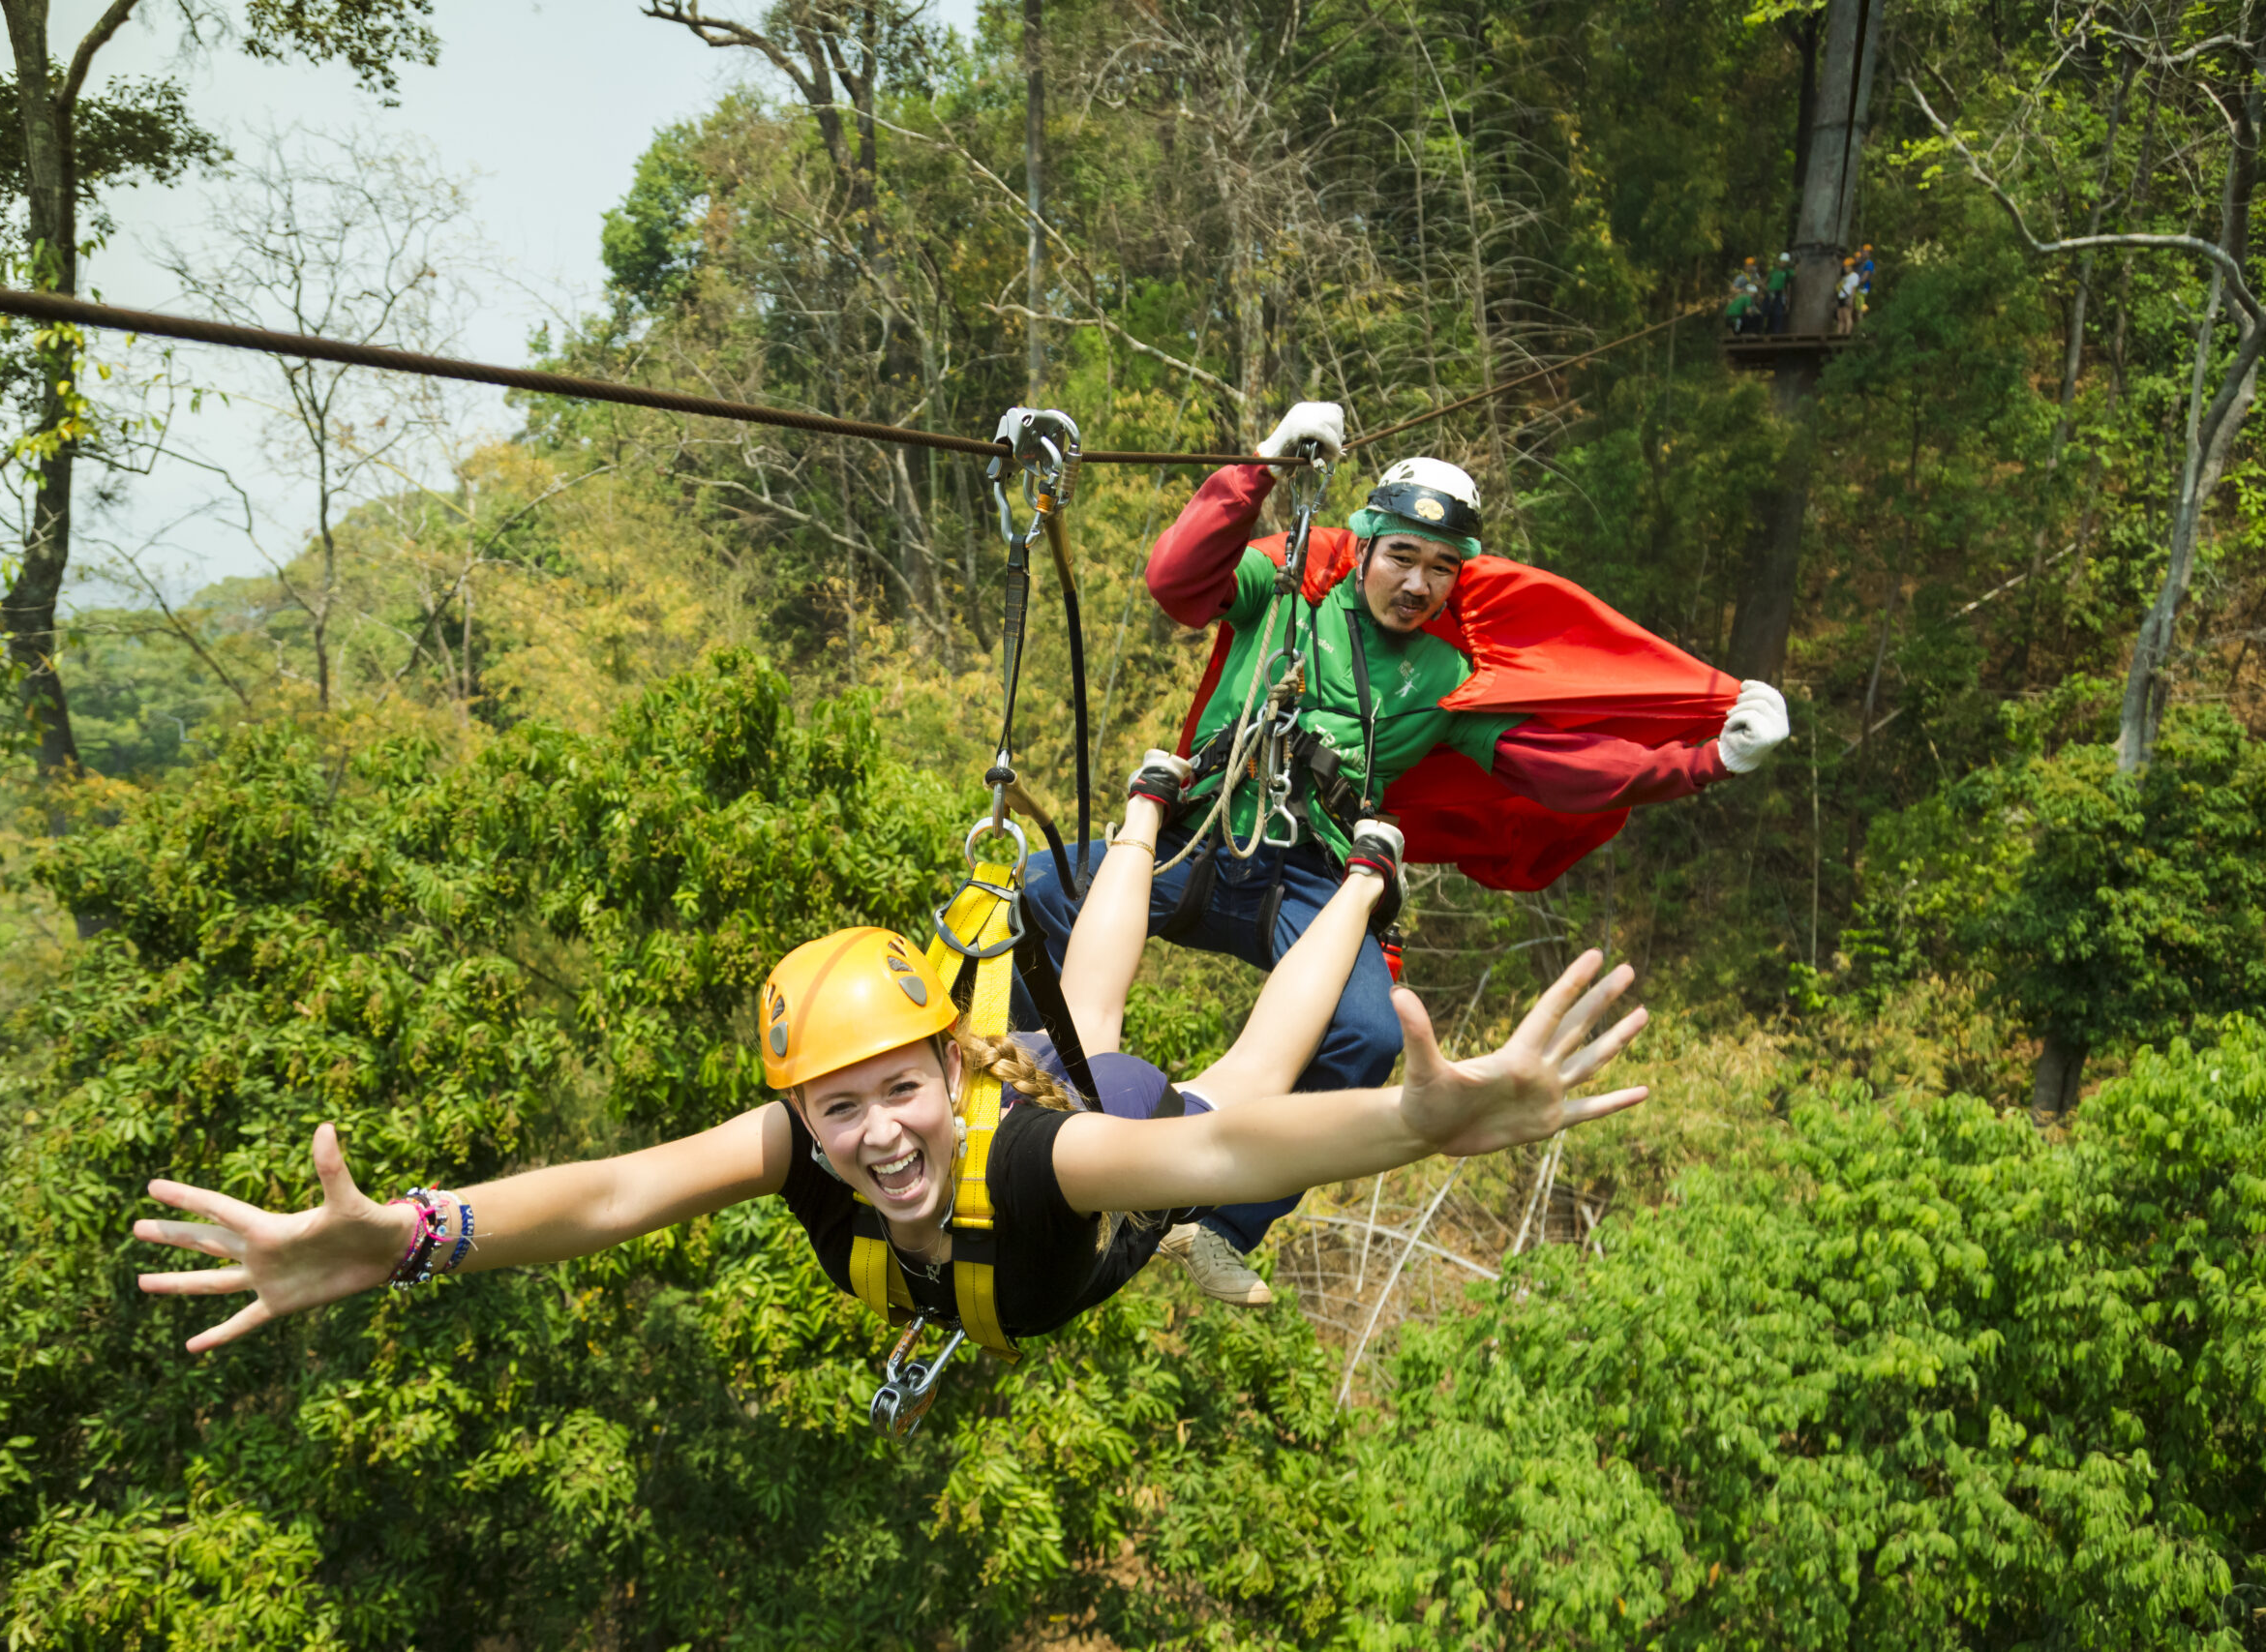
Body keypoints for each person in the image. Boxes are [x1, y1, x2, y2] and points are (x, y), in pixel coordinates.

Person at [132, 771, 1652, 1361]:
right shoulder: (811, 1142)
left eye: (896, 1091)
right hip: (1039, 1087)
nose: (873, 1137)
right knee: (1098, 1003)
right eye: (836, 1107)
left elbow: (1224, 1161)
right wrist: (406, 1236)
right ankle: (1144, 805)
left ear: (950, 1064)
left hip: (1095, 1142)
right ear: (800, 1109)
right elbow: (609, 1191)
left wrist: (1412, 1122)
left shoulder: (1043, 1152)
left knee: (1233, 1068)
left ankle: (1371, 877)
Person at [1012, 402, 1789, 1305]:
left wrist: (1706, 760)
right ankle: (1027, 1090)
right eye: (1403, 558)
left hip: (1310, 877)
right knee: (1035, 892)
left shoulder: (1449, 679)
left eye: (1443, 569)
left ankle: (1217, 1223)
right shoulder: (1281, 585)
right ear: (1368, 546)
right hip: (1207, 834)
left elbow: (1561, 770)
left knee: (1369, 1032)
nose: (1419, 584)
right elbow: (1177, 580)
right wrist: (1260, 465)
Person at [1726, 256, 1764, 336]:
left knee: (1758, 316)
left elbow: (1760, 288)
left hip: (1752, 303)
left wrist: (1760, 294)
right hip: (1742, 304)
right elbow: (1732, 289)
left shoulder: (1756, 277)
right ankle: (1741, 333)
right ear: (1745, 267)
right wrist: (1740, 291)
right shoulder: (1741, 278)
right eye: (1749, 265)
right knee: (1743, 317)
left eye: (1752, 265)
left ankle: (1754, 333)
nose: (1751, 267)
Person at [1764, 251, 1795, 332]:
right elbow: (1766, 281)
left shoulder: (1787, 272)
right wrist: (1764, 291)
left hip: (1780, 294)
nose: (1783, 263)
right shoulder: (1773, 270)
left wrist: (1787, 302)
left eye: (1785, 262)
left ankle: (1775, 333)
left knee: (1778, 314)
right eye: (1782, 261)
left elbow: (1788, 286)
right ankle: (1766, 331)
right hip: (1770, 293)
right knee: (1766, 311)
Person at [1834, 256, 1864, 335]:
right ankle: (1839, 333)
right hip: (1841, 298)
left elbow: (1853, 289)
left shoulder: (1854, 276)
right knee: (1840, 318)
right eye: (1845, 267)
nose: (1845, 268)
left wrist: (1851, 299)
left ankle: (1847, 333)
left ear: (1851, 267)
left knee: (1847, 316)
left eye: (1847, 266)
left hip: (1847, 297)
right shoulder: (1844, 277)